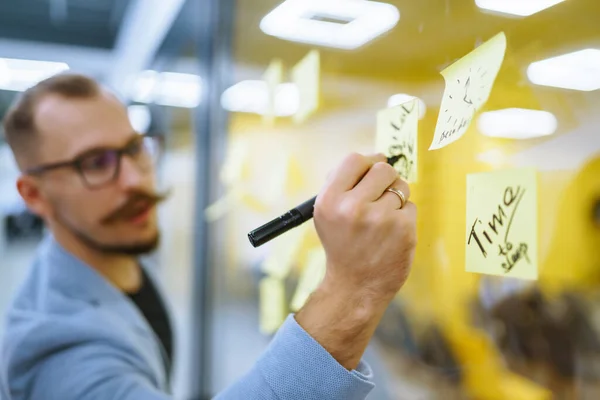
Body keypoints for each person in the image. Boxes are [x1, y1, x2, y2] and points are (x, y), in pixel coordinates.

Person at [0, 73, 417, 400]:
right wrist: (353, 290)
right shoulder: (56, 355)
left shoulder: (111, 250)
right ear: (34, 194)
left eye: (134, 148)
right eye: (95, 163)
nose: (135, 179)